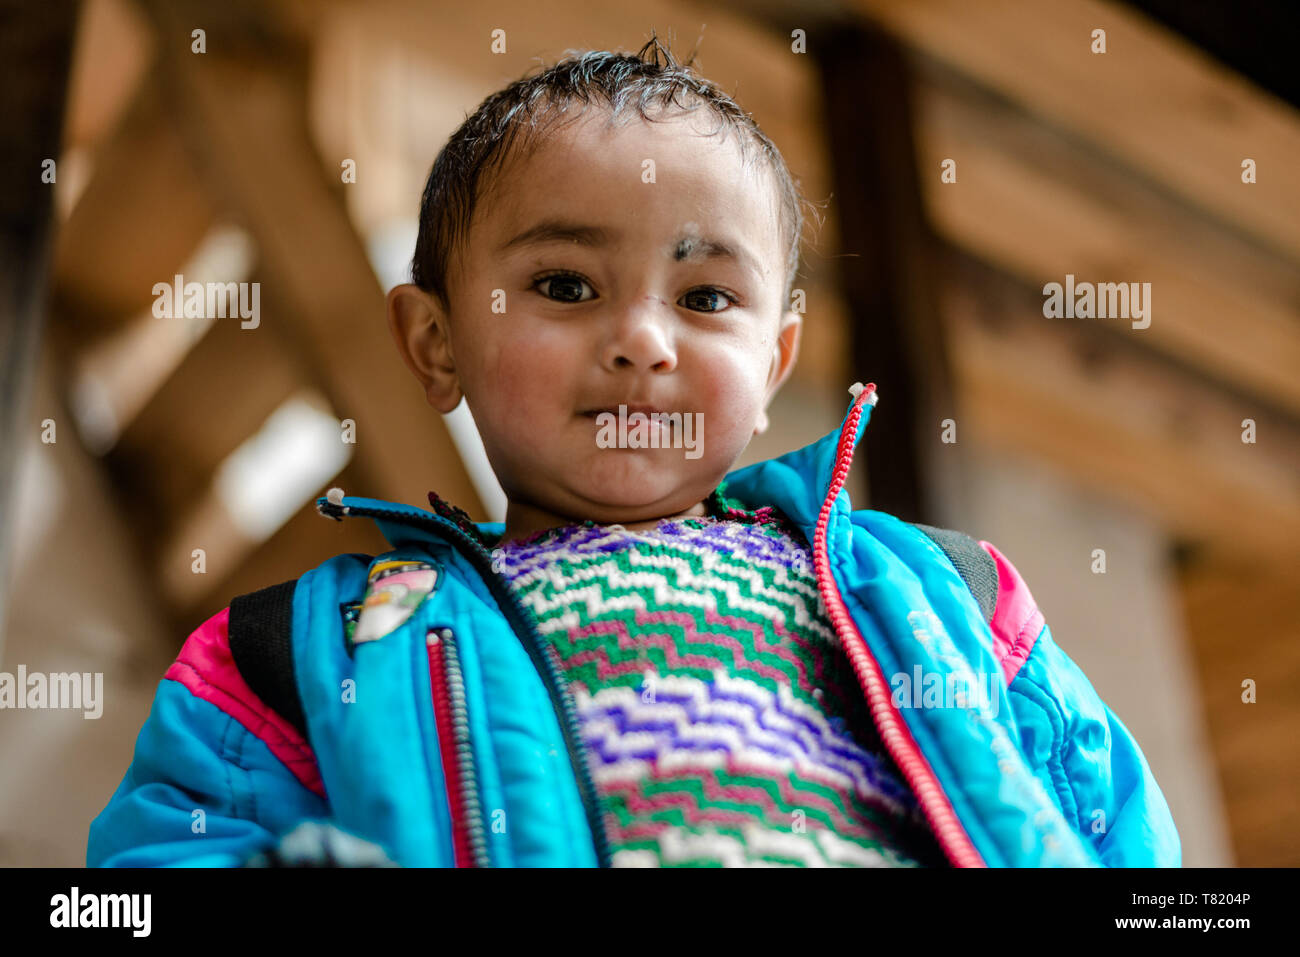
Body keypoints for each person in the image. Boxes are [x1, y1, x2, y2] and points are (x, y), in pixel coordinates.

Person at [87, 37, 1180, 868]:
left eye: (707, 297)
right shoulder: (306, 648)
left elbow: (1114, 827)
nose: (644, 342)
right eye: (566, 286)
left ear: (771, 361)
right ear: (434, 343)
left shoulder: (944, 590)